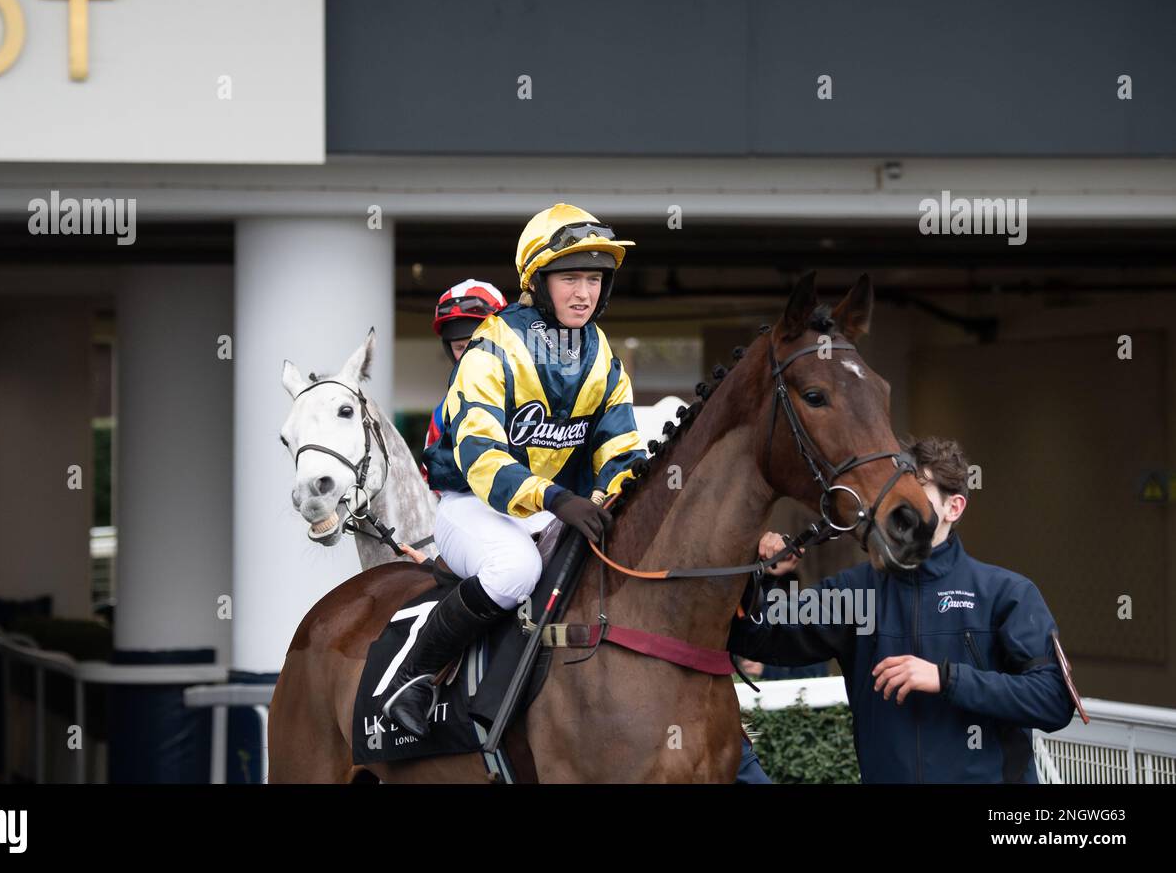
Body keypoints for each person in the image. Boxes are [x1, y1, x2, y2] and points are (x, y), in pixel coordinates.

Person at [382, 204, 647, 737]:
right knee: (516, 569)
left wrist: (604, 499)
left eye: (594, 279)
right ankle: (412, 677)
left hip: (551, 512)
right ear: (537, 281)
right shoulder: (491, 348)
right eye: (570, 278)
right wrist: (558, 501)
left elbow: (622, 451)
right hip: (471, 509)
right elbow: (483, 461)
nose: (584, 293)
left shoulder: (603, 358)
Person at [728, 436, 1082, 783]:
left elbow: (1053, 701)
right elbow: (759, 637)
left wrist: (946, 679)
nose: (900, 506)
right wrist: (770, 577)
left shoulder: (1006, 594)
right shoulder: (857, 593)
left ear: (952, 508)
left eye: (918, 493)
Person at [420, 279, 507, 483]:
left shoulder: (538, 391)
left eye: (477, 343)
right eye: (460, 347)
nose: (470, 355)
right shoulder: (443, 412)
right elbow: (428, 483)